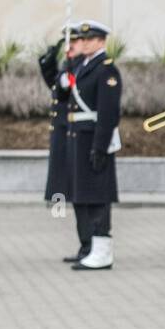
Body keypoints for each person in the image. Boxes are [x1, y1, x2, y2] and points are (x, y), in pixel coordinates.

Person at [63, 20, 122, 270]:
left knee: (98, 196)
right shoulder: (82, 65)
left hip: (94, 140)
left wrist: (100, 147)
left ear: (101, 41)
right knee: (83, 195)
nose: (82, 43)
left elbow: (108, 114)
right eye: (81, 39)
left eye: (88, 39)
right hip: (78, 138)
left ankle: (102, 251)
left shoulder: (106, 69)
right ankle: (89, 247)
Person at [38, 29, 84, 260]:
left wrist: (69, 81)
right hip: (64, 137)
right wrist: (50, 57)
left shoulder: (82, 68)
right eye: (67, 43)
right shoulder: (68, 66)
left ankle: (90, 245)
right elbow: (53, 84)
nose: (69, 48)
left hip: (73, 137)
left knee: (80, 194)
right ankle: (86, 245)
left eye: (72, 43)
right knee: (72, 193)